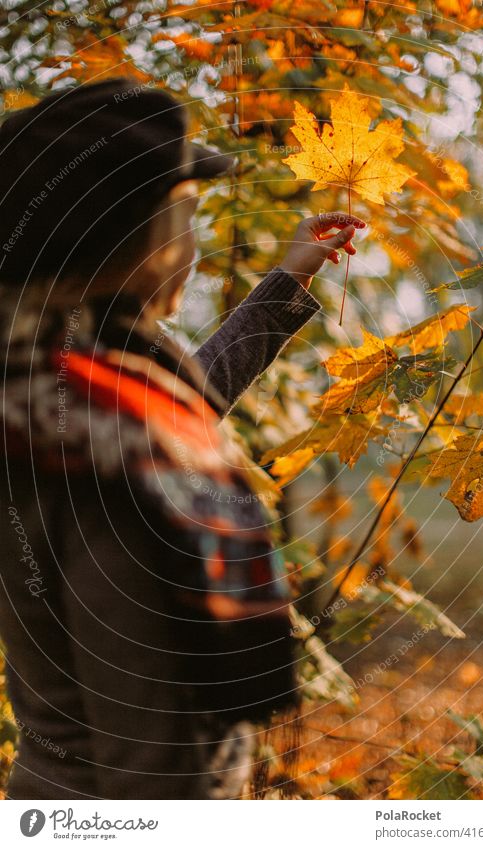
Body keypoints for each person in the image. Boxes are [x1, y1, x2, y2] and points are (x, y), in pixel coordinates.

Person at [0, 78, 364, 799]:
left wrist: (287, 278)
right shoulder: (113, 461)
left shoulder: (52, 390)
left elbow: (184, 400)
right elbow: (147, 743)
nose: (192, 243)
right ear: (144, 238)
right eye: (187, 216)